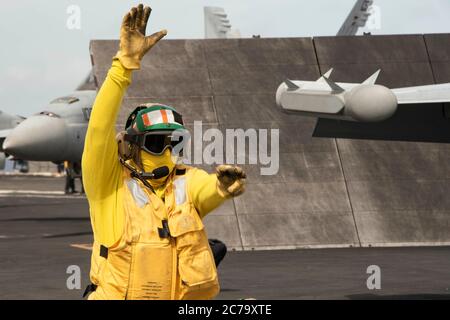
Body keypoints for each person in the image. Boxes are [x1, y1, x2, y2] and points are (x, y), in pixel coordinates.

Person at [82, 4, 246, 300]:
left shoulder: (183, 182)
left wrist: (221, 187)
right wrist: (123, 67)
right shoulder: (108, 186)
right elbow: (97, 131)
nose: (168, 151)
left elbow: (205, 188)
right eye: (158, 142)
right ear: (132, 146)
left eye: (176, 142)